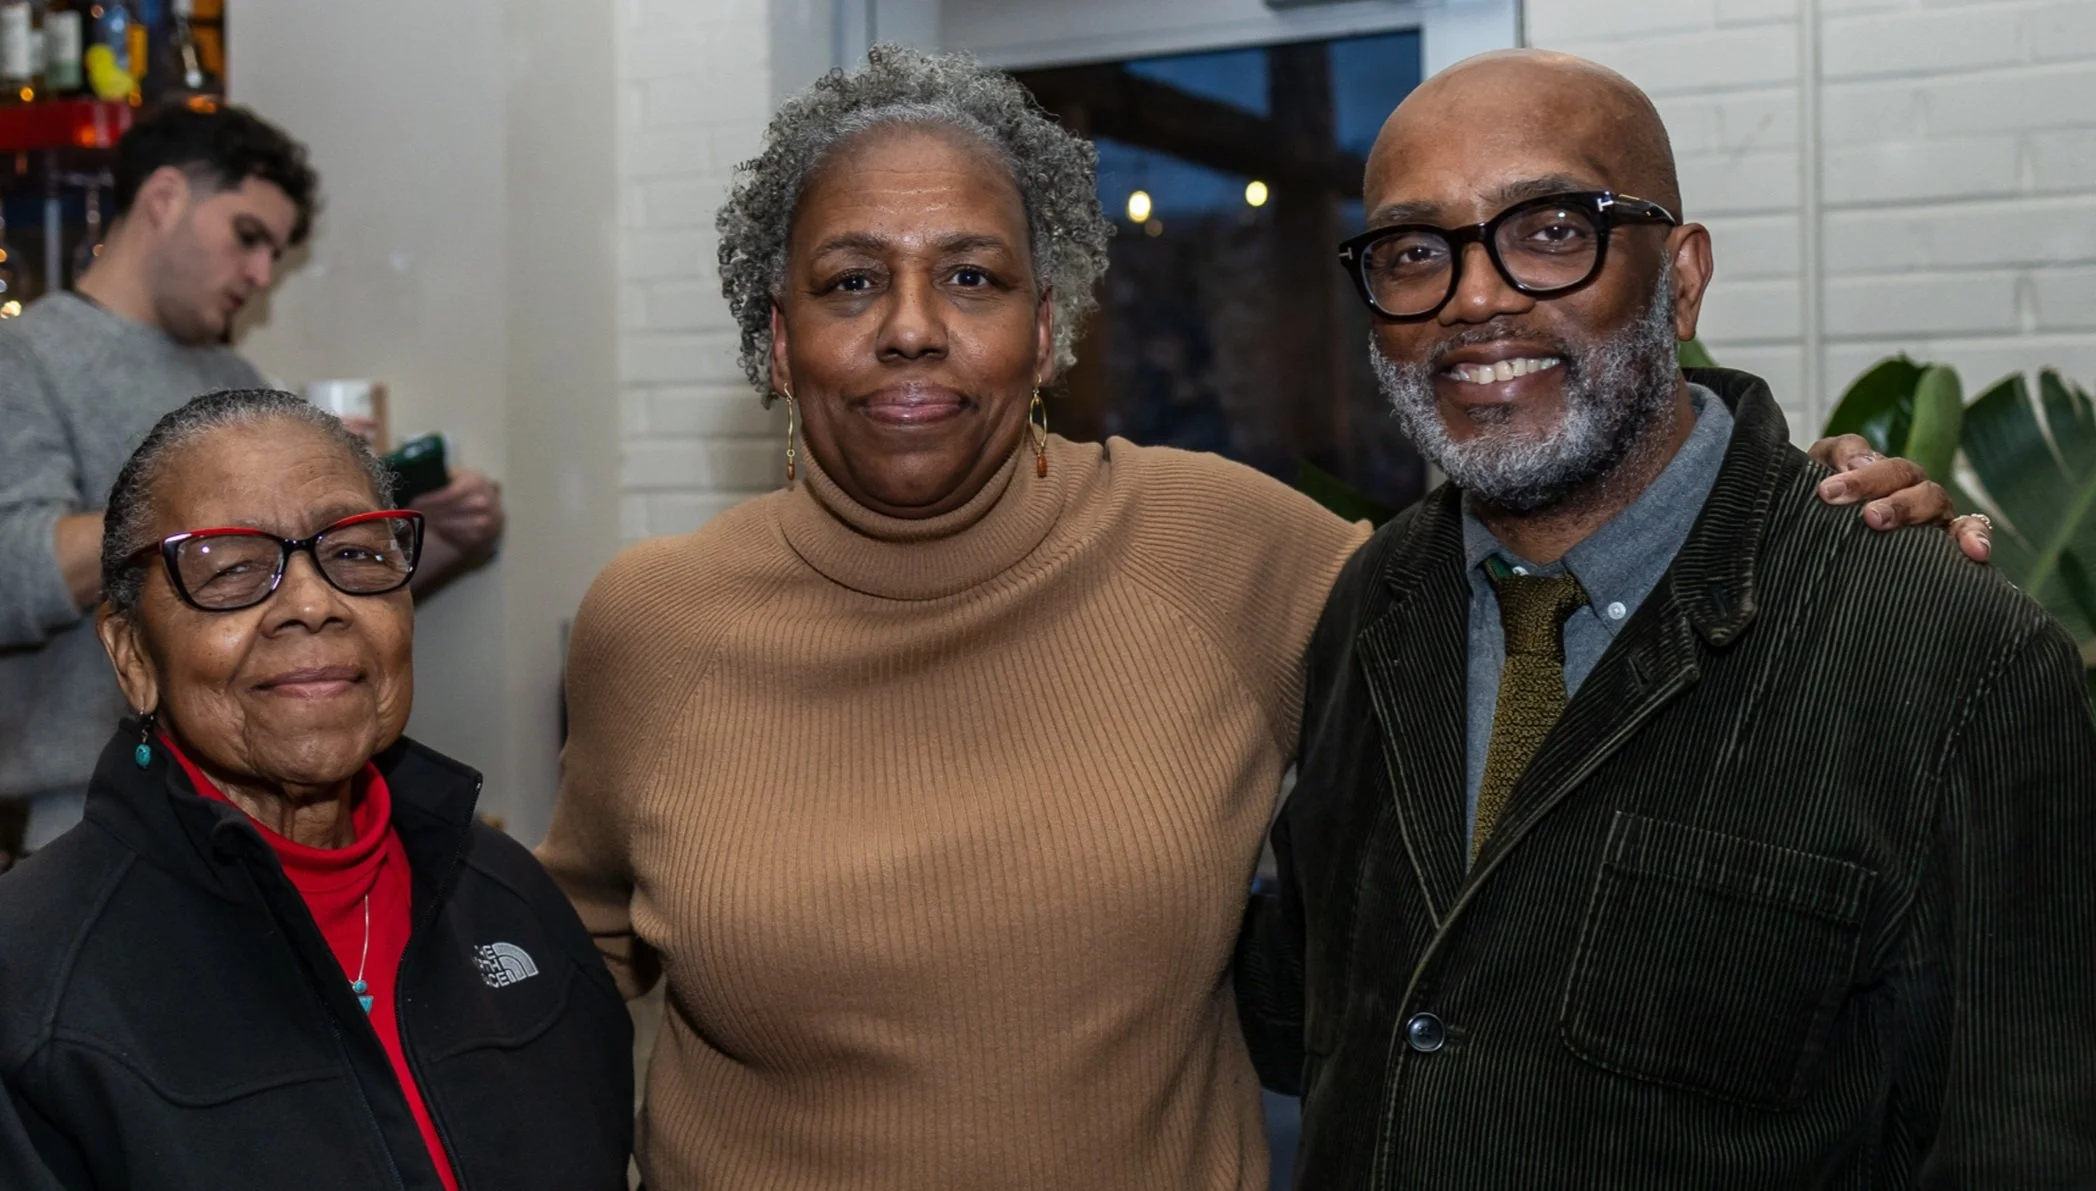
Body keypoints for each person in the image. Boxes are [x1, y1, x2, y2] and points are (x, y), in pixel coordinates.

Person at [538, 46, 1982, 1190]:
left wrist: (1822, 522)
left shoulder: (1231, 549)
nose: (911, 325)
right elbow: (566, 958)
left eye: (972, 276)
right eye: (852, 280)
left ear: (1048, 330)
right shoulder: (652, 623)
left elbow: (1575, 583)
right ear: (777, 339)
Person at [1234, 49, 2096, 1188]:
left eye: (1548, 229)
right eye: (1411, 251)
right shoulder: (1373, 602)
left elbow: (2022, 1143)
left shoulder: (1944, 654)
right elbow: (1312, 1007)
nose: (1475, 297)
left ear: (1679, 279)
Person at [0, 389, 631, 1190]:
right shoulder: (29, 983)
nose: (310, 604)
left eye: (356, 554)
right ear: (132, 657)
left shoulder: (514, 898)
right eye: (229, 569)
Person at [0, 99, 506, 860]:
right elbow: (10, 572)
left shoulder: (234, 374)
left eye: (273, 253)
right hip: (88, 816)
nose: (261, 275)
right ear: (165, 199)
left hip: (264, 802)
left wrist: (427, 538)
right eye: (248, 238)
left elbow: (286, 588)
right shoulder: (26, 358)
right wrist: (200, 499)